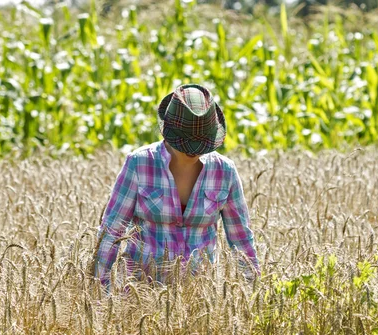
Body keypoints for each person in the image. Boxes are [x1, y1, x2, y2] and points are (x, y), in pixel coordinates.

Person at [93, 84, 259, 290]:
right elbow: (111, 231)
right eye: (187, 142)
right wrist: (100, 293)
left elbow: (241, 239)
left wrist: (253, 295)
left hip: (200, 300)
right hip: (140, 297)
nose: (194, 151)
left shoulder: (224, 171)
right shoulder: (139, 164)